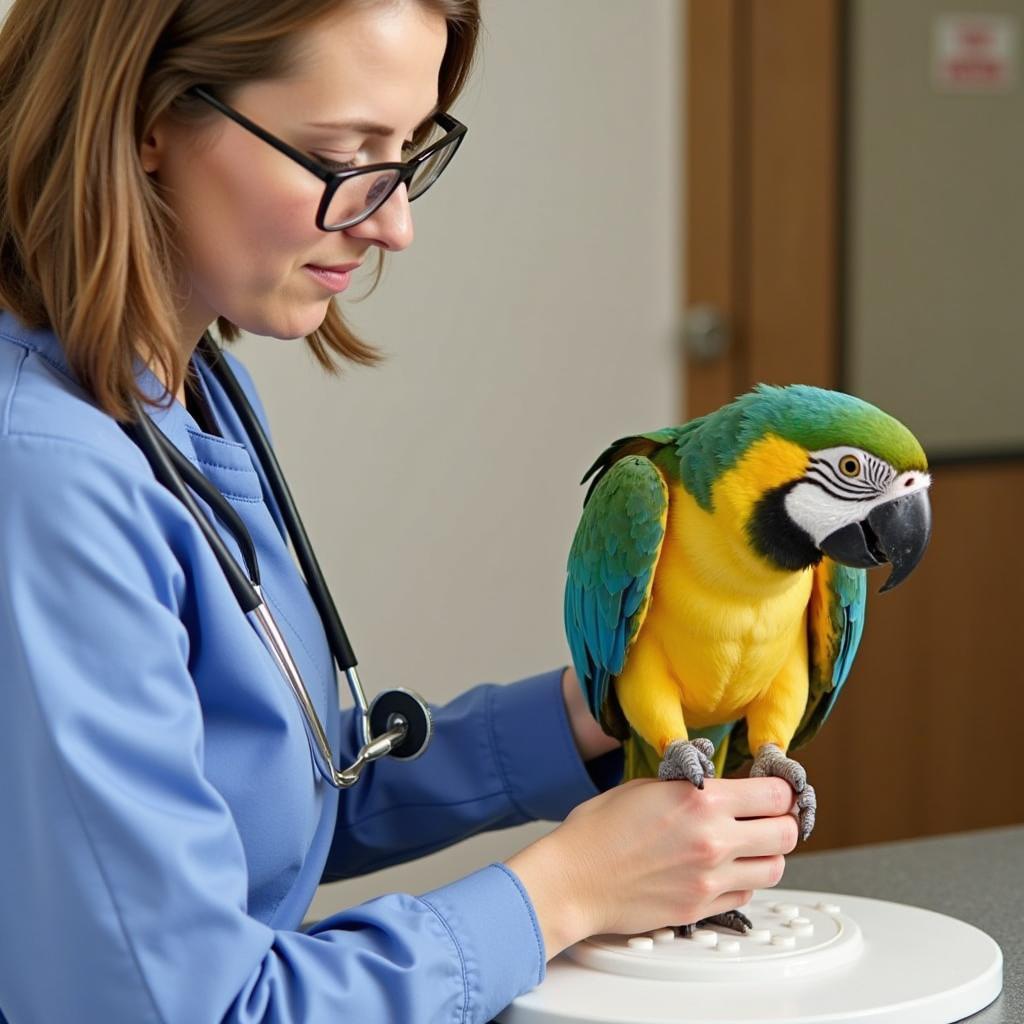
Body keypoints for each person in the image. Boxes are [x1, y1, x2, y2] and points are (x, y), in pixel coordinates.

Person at [0, 1, 799, 1021]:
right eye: (344, 156)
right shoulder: (47, 476)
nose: (394, 223)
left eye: (410, 155)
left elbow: (273, 797)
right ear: (148, 120)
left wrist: (582, 718)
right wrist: (562, 892)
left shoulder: (188, 384)